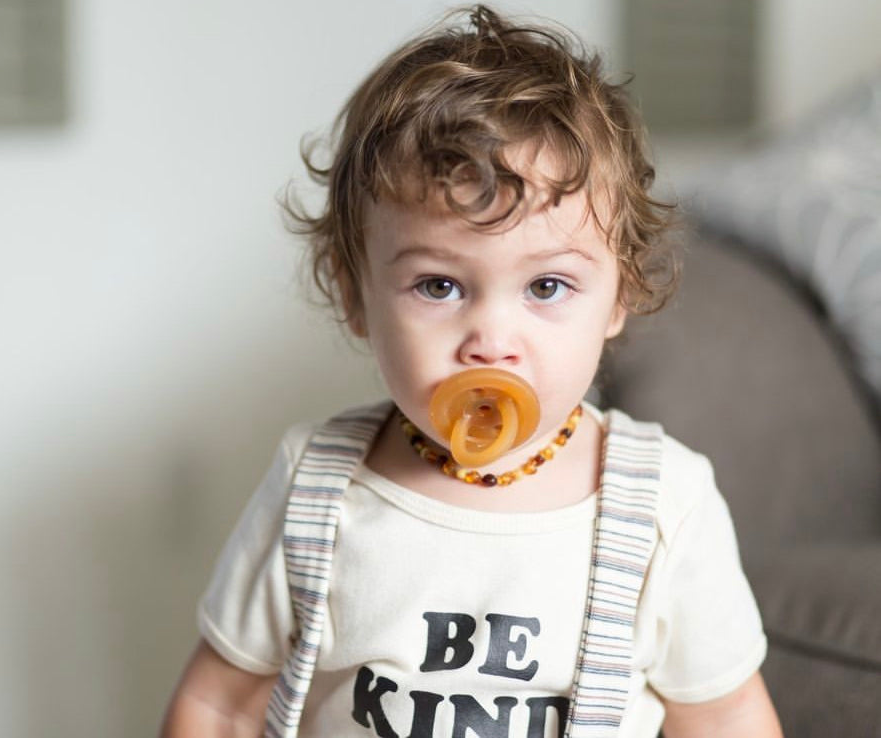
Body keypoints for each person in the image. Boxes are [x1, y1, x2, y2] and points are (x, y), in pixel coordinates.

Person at [161, 5, 782, 737]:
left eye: (545, 287)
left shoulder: (663, 506)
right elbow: (220, 704)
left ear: (619, 296)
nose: (490, 341)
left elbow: (724, 719)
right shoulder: (316, 487)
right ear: (354, 293)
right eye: (438, 286)